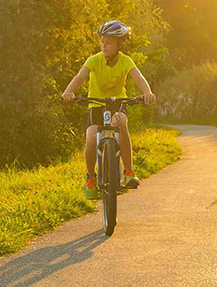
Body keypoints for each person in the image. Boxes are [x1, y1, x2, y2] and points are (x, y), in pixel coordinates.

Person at [61, 20, 157, 197]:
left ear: (120, 44)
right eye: (102, 41)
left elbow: (139, 78)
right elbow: (80, 77)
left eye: (109, 42)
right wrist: (69, 92)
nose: (104, 45)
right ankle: (90, 178)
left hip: (117, 103)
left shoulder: (125, 61)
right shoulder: (94, 60)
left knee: (120, 123)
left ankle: (128, 173)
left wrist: (147, 92)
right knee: (91, 138)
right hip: (96, 104)